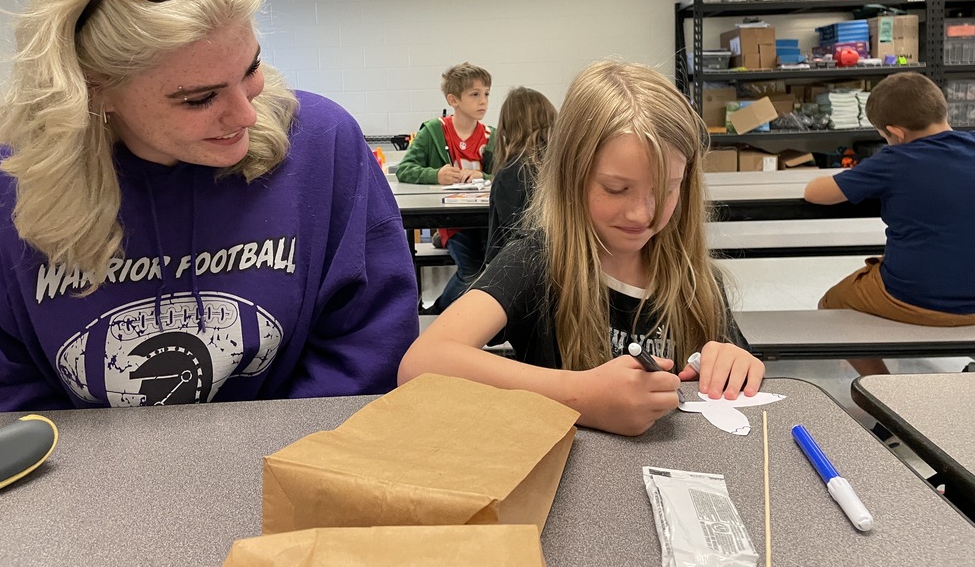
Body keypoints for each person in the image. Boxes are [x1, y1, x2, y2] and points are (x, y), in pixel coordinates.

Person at [0, 0, 419, 412]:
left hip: (293, 462)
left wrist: (276, 465)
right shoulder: (1, 179)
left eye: (251, 68)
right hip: (77, 479)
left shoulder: (321, 142)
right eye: (198, 98)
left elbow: (368, 350)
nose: (245, 113)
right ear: (92, 88)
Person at [398, 60, 764, 437]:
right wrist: (580, 395)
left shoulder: (693, 276)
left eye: (666, 189)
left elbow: (734, 366)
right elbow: (421, 364)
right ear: (572, 176)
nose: (642, 214)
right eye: (615, 189)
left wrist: (735, 363)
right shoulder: (536, 260)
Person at [803, 71, 975, 377]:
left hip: (913, 299)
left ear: (896, 133)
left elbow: (817, 194)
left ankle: (880, 386)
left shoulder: (895, 160)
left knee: (831, 305)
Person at [396, 62, 496, 312]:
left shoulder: (491, 135)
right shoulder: (433, 131)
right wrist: (435, 174)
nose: (483, 101)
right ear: (454, 100)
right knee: (472, 272)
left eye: (486, 94)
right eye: (475, 94)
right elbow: (404, 169)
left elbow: (503, 175)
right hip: (452, 219)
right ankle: (437, 313)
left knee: (491, 270)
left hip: (485, 219)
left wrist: (482, 174)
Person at [484, 86, 556, 266]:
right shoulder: (560, 166)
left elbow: (510, 240)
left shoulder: (512, 173)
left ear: (508, 127)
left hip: (515, 274)